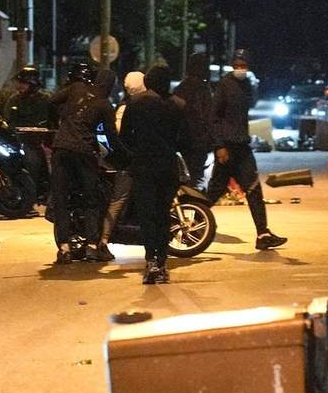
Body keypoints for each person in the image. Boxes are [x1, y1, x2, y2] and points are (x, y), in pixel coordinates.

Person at [205, 49, 286, 251]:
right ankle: (193, 222)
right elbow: (214, 118)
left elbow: (249, 106)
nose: (240, 69)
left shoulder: (247, 85)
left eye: (243, 66)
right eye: (237, 65)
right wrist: (219, 146)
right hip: (228, 147)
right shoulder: (225, 84)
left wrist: (253, 86)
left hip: (241, 145)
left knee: (253, 188)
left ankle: (263, 233)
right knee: (216, 190)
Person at [120, 64, 193, 285]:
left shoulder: (135, 103)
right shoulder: (179, 105)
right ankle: (161, 262)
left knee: (146, 216)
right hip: (167, 167)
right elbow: (186, 140)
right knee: (162, 215)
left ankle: (150, 259)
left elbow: (124, 137)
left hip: (143, 166)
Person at [48, 68, 122, 266]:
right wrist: (125, 155)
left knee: (61, 199)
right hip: (83, 152)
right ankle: (92, 245)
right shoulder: (105, 104)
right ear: (112, 86)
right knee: (91, 198)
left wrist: (59, 122)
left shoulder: (77, 88)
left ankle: (64, 248)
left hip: (60, 148)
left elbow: (51, 101)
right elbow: (111, 136)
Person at [99, 70, 147, 254]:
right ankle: (103, 239)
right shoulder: (128, 107)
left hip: (132, 158)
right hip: (129, 161)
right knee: (119, 198)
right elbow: (120, 133)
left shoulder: (127, 105)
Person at [2, 65, 52, 201]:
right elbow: (7, 120)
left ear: (33, 83)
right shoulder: (14, 100)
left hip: (36, 143)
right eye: (20, 83)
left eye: (24, 83)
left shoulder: (44, 100)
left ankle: (36, 193)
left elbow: (48, 121)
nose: (21, 86)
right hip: (16, 142)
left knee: (34, 162)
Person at [174, 53, 213, 187]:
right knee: (195, 178)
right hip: (196, 142)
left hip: (183, 141)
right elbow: (206, 115)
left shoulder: (180, 89)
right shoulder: (201, 89)